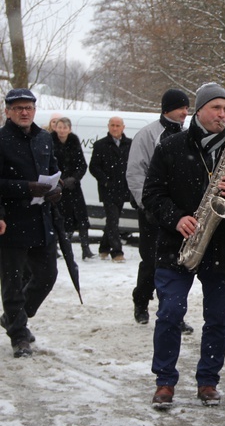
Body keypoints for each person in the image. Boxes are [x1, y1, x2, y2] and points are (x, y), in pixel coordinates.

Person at [142, 82, 225, 410]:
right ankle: (164, 381)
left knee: (218, 318)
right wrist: (176, 218)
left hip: (222, 246)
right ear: (199, 110)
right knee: (170, 312)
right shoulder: (171, 146)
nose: (222, 115)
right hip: (177, 243)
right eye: (216, 108)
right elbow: (151, 194)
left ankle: (208, 380)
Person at [0, 88, 63, 357]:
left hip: (41, 220)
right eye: (18, 108)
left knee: (47, 275)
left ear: (35, 110)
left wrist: (56, 188)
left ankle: (15, 317)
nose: (24, 112)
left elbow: (53, 171)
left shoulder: (44, 138)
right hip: (12, 222)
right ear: (8, 112)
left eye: (29, 107)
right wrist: (28, 188)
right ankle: (19, 336)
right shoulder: (1, 140)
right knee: (12, 282)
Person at [126, 88, 194, 334]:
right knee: (152, 261)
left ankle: (173, 312)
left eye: (187, 108)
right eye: (180, 108)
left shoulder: (188, 136)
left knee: (177, 265)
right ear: (167, 109)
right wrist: (147, 204)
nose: (185, 113)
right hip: (153, 211)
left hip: (179, 214)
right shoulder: (147, 135)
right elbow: (135, 172)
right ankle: (141, 301)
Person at [89, 116, 132, 262]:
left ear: (123, 127)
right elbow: (93, 167)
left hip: (122, 189)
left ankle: (104, 248)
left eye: (118, 125)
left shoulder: (130, 144)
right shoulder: (100, 145)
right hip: (108, 190)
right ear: (108, 126)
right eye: (112, 125)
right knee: (113, 220)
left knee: (112, 220)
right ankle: (117, 252)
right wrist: (106, 181)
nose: (115, 128)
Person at [53, 117, 94, 260]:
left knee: (81, 217)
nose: (62, 130)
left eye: (65, 127)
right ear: (55, 128)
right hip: (57, 187)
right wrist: (58, 180)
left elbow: (81, 164)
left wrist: (74, 178)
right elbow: (48, 164)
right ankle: (57, 247)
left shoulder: (74, 141)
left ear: (69, 129)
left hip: (73, 187)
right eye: (60, 127)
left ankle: (85, 248)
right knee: (59, 217)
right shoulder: (50, 141)